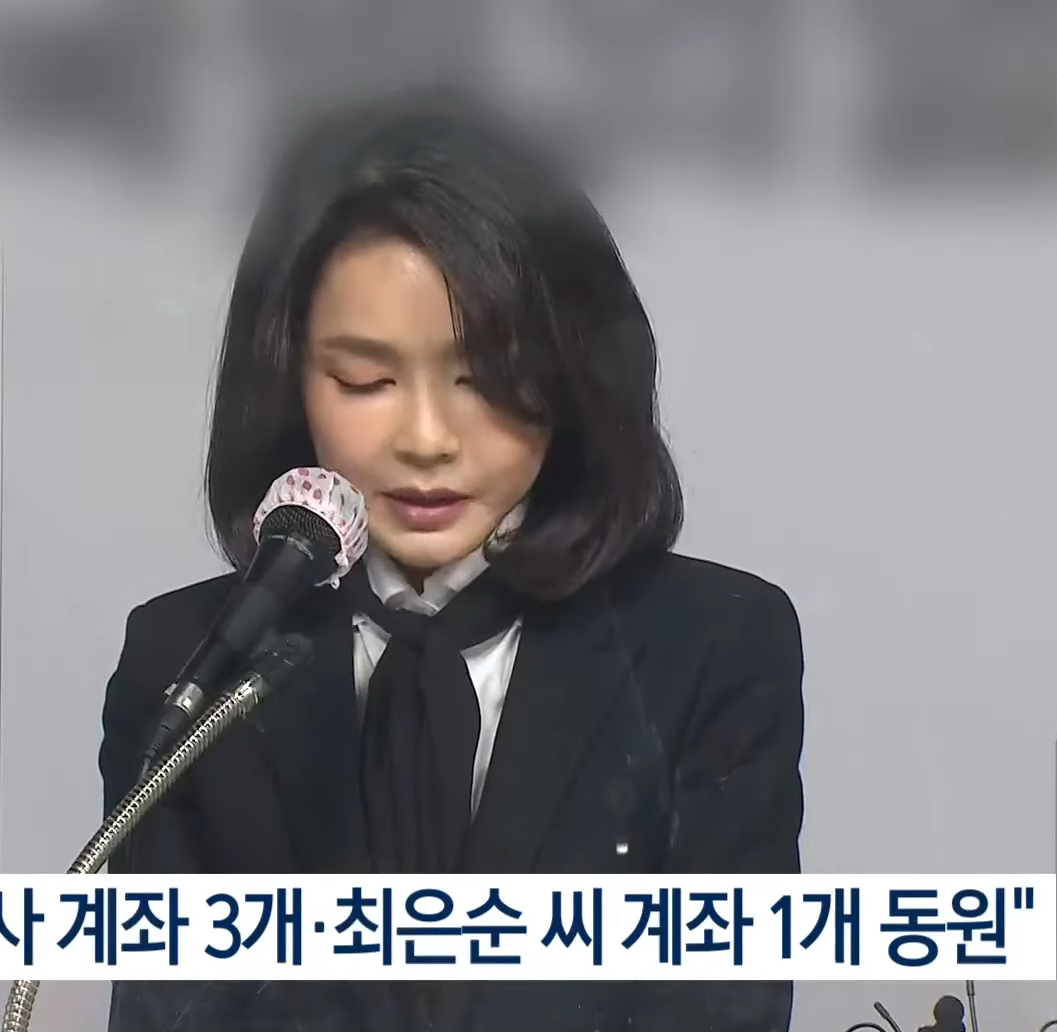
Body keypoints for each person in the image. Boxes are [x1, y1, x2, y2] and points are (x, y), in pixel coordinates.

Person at [97, 89, 805, 1032]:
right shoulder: (188, 665)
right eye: (367, 380)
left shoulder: (711, 651)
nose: (427, 439)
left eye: (485, 378)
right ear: (288, 377)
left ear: (571, 373)